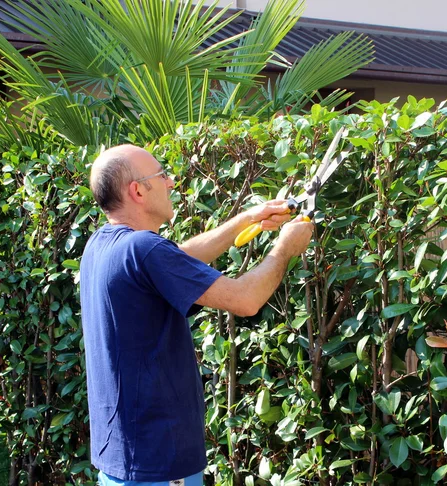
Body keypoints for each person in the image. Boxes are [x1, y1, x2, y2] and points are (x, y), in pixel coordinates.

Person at [79, 144, 313, 485]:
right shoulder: (143, 249)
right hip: (159, 463)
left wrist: (251, 218)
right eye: (161, 175)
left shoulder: (102, 245)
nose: (171, 182)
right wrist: (286, 248)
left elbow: (179, 257)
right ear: (138, 190)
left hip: (123, 459)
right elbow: (246, 300)